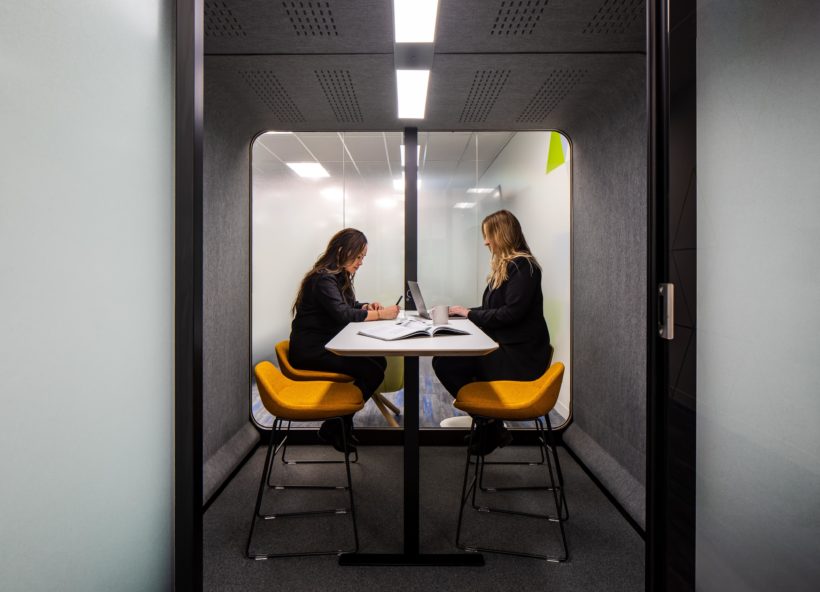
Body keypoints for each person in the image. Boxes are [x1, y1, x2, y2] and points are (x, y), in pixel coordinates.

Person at [433, 210, 551, 456]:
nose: (485, 242)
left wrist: (469, 314)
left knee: (446, 363)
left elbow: (511, 313)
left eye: (488, 236)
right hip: (506, 348)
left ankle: (489, 423)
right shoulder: (509, 267)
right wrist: (462, 311)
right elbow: (493, 309)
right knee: (446, 362)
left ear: (501, 234)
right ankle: (489, 423)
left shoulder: (524, 267)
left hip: (520, 358)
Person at [289, 228, 399, 453]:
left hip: (329, 345)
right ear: (341, 251)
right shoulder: (322, 279)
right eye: (358, 256)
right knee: (373, 371)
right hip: (311, 351)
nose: (361, 262)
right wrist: (381, 314)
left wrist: (366, 307)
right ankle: (336, 424)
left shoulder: (337, 277)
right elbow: (342, 315)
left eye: (363, 258)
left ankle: (339, 424)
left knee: (379, 363)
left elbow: (348, 306)